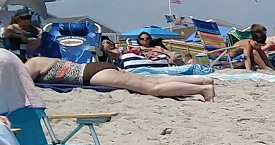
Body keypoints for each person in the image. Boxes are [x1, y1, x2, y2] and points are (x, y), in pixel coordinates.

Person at [24, 55, 215, 101]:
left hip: (91, 75)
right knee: (152, 81)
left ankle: (201, 89)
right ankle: (202, 81)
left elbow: (23, 84)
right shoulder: (39, 59)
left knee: (151, 88)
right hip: (95, 67)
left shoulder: (30, 65)